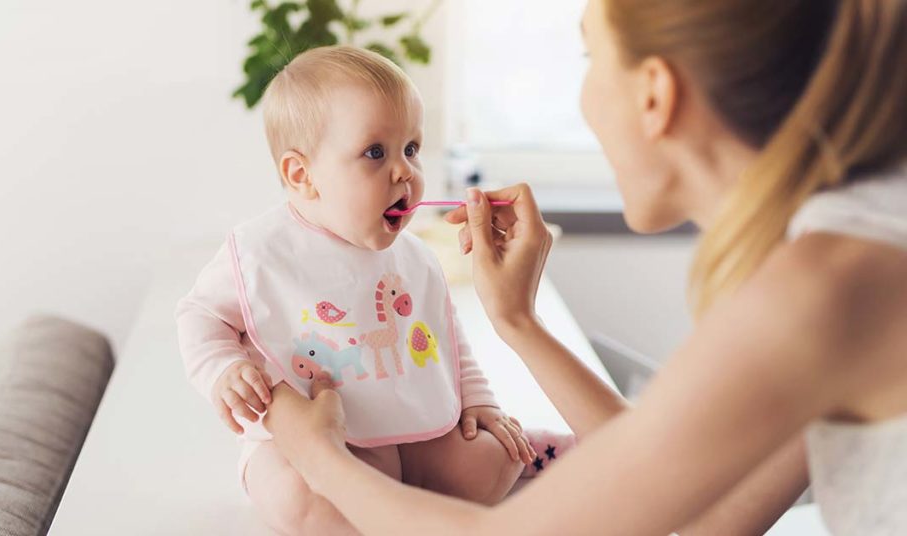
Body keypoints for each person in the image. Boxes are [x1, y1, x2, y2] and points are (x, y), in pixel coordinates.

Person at [262, 1, 907, 534]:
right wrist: (517, 319)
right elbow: (693, 507)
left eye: (589, 56)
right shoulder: (855, 247)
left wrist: (318, 455)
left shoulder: (823, 290)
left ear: (655, 93)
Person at [175, 46, 576, 535]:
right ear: (302, 176)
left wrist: (479, 401)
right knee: (300, 502)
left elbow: (442, 335)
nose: (405, 170)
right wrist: (224, 369)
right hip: (301, 438)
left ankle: (530, 451)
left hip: (405, 428)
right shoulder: (260, 251)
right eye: (375, 152)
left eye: (411, 148)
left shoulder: (412, 254)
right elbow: (199, 316)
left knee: (486, 466)